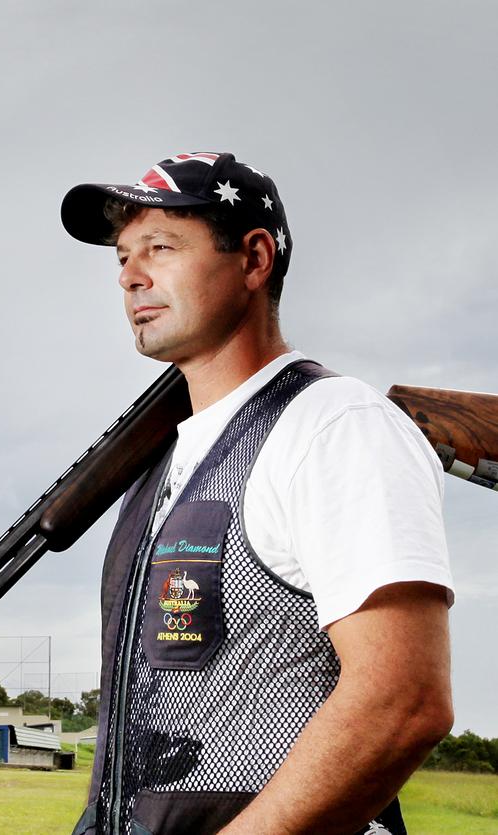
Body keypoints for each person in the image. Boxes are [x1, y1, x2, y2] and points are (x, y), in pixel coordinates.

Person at [60, 152, 454, 835]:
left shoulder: (333, 425)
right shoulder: (166, 460)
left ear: (253, 259)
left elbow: (403, 699)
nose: (130, 275)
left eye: (161, 246)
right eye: (122, 256)